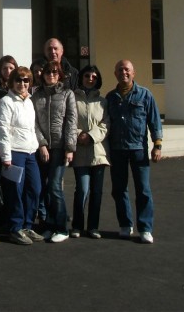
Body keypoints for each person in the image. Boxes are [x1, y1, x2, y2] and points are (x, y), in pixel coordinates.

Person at [104, 59, 163, 244]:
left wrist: (157, 145)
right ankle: (125, 224)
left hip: (138, 149)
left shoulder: (145, 95)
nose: (124, 73)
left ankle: (145, 228)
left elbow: (154, 121)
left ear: (133, 73)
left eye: (127, 70)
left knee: (143, 190)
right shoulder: (110, 97)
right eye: (120, 70)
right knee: (119, 189)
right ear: (115, 74)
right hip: (117, 149)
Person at [0, 67, 43, 246]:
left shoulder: (29, 102)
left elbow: (32, 127)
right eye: (18, 80)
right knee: (15, 191)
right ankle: (15, 228)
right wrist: (6, 156)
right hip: (15, 153)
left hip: (31, 152)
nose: (22, 84)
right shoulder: (6, 102)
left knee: (35, 189)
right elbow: (3, 130)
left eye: (26, 80)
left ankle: (27, 225)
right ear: (12, 82)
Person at [32, 60, 77, 243]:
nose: (51, 75)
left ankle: (62, 228)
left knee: (55, 187)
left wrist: (69, 148)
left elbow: (71, 122)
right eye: (48, 72)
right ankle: (50, 225)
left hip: (59, 147)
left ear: (60, 75)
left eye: (54, 72)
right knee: (44, 187)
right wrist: (41, 144)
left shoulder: (68, 94)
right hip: (43, 148)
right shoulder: (36, 95)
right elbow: (33, 122)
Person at [70, 65, 108, 239]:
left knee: (97, 192)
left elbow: (106, 123)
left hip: (98, 152)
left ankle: (93, 226)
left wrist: (91, 136)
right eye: (87, 75)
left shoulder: (102, 101)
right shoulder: (72, 98)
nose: (90, 78)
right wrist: (80, 135)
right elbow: (69, 121)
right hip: (79, 152)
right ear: (81, 77)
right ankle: (77, 225)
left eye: (94, 76)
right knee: (82, 190)